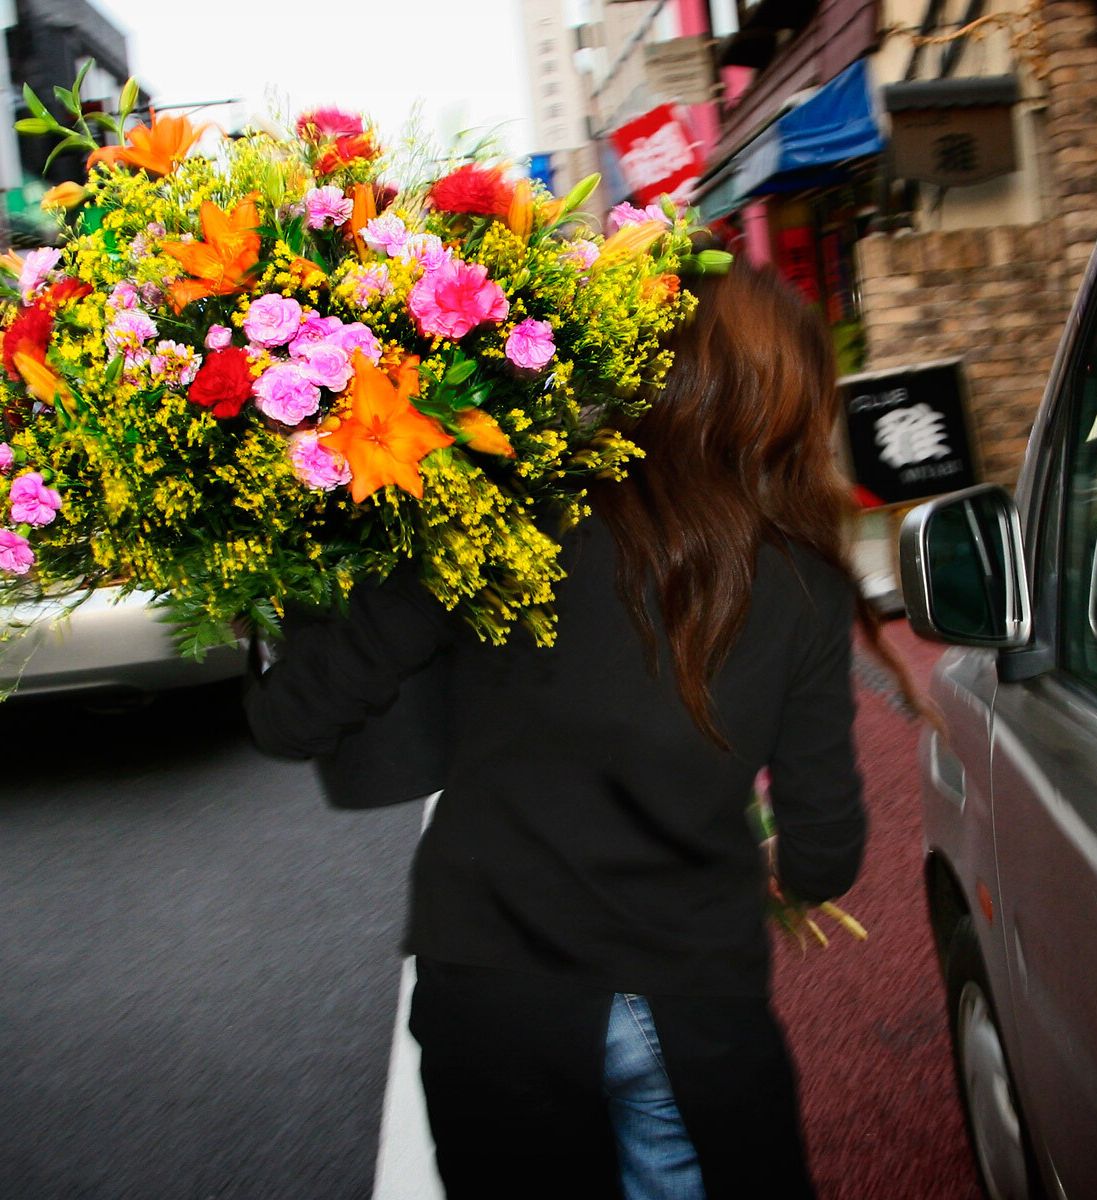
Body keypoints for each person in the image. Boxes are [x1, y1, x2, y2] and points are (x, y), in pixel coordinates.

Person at [244, 257, 891, 1199]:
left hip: (495, 980)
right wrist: (792, 874)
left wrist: (279, 596)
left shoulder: (516, 522)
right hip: (692, 991)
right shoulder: (804, 582)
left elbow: (293, 718)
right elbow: (825, 836)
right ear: (791, 404)